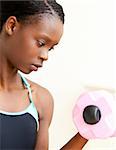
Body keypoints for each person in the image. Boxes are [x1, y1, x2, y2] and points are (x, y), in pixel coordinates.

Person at [0, 0, 88, 149]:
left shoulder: (40, 100)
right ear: (12, 26)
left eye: (50, 48)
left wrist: (87, 132)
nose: (45, 56)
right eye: (41, 43)